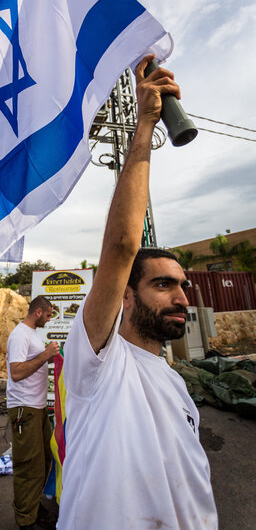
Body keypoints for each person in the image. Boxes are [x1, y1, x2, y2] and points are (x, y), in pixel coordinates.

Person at [57, 55, 218, 530]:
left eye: (182, 285)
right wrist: (146, 122)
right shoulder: (96, 363)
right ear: (124, 296)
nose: (181, 298)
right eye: (162, 284)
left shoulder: (174, 384)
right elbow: (123, 244)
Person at [7, 296, 60, 530]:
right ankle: (26, 520)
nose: (49, 320)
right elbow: (16, 373)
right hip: (24, 409)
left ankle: (34, 509)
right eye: (48, 315)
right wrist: (45, 356)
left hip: (36, 408)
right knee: (28, 466)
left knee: (42, 462)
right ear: (38, 312)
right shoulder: (19, 335)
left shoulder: (32, 335)